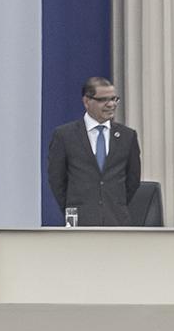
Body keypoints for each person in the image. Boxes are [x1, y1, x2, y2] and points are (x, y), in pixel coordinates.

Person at [45, 77, 142, 226]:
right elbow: (57, 179)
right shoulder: (65, 135)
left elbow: (133, 180)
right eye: (103, 100)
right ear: (86, 101)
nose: (111, 105)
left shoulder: (127, 136)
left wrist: (115, 204)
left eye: (114, 99)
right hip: (80, 222)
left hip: (117, 221)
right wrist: (75, 206)